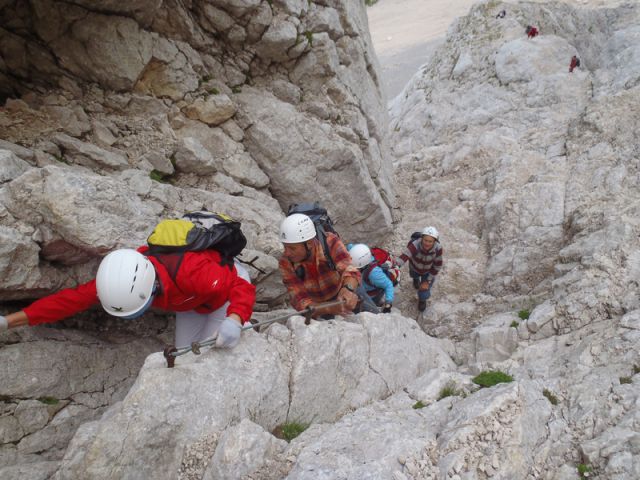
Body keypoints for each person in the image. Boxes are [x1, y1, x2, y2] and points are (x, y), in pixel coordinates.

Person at [0, 247, 256, 349]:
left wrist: (235, 318)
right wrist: (8, 322)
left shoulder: (193, 272)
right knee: (186, 355)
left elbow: (241, 287)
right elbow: (68, 301)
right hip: (190, 301)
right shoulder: (118, 279)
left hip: (222, 293)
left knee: (220, 347)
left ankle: (246, 327)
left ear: (150, 288)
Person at [278, 213, 362, 318]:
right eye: (285, 247)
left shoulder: (330, 242)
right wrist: (329, 308)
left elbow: (349, 269)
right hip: (318, 305)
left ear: (309, 243)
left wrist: (348, 289)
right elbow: (300, 301)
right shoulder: (286, 262)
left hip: (341, 290)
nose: (287, 253)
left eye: (292, 248)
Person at [396, 226, 444, 312]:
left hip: (428, 271)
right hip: (414, 267)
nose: (427, 243)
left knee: (424, 289)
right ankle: (416, 280)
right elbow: (405, 255)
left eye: (430, 241)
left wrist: (427, 281)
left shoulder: (438, 248)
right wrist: (395, 265)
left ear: (435, 241)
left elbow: (437, 265)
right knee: (414, 275)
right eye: (425, 240)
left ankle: (422, 300)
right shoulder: (415, 244)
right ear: (421, 238)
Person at [348, 243, 394, 313]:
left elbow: (388, 285)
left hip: (372, 293)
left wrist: (388, 303)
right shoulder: (356, 253)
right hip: (366, 285)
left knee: (370, 305)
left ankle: (376, 305)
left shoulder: (374, 273)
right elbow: (350, 246)